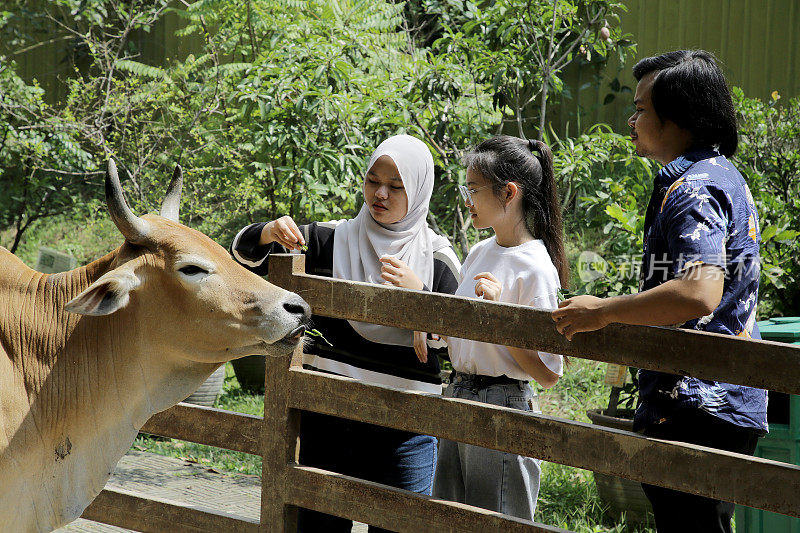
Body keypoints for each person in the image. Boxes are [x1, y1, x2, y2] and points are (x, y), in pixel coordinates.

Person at [551, 50, 767, 533]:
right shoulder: (726, 178)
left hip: (697, 406)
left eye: (641, 108)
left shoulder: (693, 187)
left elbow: (699, 292)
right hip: (725, 401)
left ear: (680, 117)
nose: (631, 120)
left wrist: (602, 312)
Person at [230, 134, 460, 532]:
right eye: (373, 181)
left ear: (420, 188)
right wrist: (268, 231)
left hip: (404, 431)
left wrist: (420, 297)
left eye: (396, 185)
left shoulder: (437, 258)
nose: (381, 193)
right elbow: (244, 269)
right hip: (328, 422)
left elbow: (459, 342)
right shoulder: (327, 239)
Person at [432, 135, 566, 521]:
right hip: (458, 392)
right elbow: (462, 329)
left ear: (508, 193)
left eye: (473, 190)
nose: (467, 200)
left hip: (503, 401)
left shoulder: (536, 268)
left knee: (496, 522)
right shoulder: (479, 251)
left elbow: (548, 373)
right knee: (448, 518)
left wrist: (503, 316)